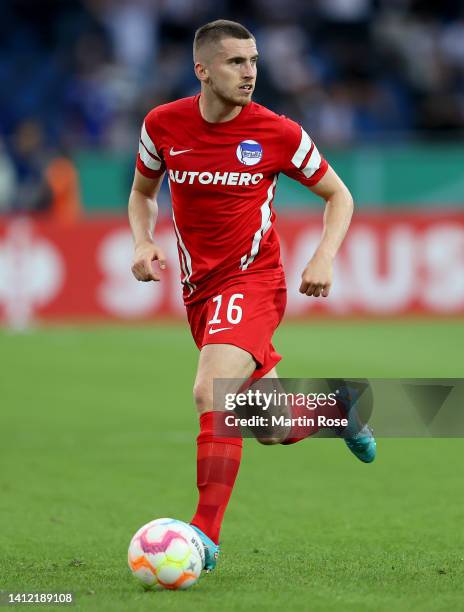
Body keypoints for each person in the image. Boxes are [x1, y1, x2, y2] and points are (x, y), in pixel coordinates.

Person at [128, 19, 376, 573]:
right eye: (237, 62)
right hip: (199, 292)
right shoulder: (161, 125)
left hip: (253, 281)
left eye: (254, 61)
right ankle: (336, 409)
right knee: (263, 423)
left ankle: (202, 538)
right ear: (203, 70)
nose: (250, 73)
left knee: (210, 391)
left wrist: (324, 256)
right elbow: (143, 191)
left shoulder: (277, 132)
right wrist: (143, 240)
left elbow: (340, 195)